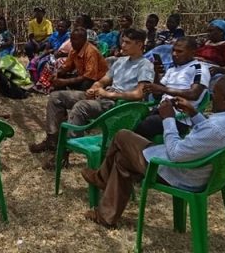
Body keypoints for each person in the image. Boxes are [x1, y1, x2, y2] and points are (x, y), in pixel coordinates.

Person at [80, 74, 225, 229]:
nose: (213, 97)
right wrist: (193, 113)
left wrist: (168, 119)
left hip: (180, 173)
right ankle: (106, 216)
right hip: (207, 173)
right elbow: (212, 135)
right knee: (122, 159)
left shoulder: (217, 128)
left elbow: (175, 154)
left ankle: (101, 178)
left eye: (216, 94)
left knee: (122, 136)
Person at [29, 29, 155, 169]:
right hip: (105, 96)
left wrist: (109, 95)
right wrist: (94, 88)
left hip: (119, 104)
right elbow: (103, 81)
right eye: (122, 41)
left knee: (81, 106)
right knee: (56, 97)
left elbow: (139, 94)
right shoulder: (121, 61)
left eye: (127, 43)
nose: (123, 45)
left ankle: (65, 152)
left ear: (139, 44)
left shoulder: (145, 65)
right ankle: (52, 139)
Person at [134, 37, 210, 140]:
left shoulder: (199, 68)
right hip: (161, 110)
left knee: (146, 125)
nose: (174, 54)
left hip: (181, 118)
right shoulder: (172, 69)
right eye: (173, 50)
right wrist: (157, 73)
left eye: (179, 51)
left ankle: (134, 150)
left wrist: (162, 89)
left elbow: (194, 94)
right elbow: (157, 95)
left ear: (192, 52)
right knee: (131, 118)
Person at [40, 27, 109, 95]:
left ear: (83, 40)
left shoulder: (91, 51)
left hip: (97, 79)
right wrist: (57, 73)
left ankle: (79, 98)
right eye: (71, 39)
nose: (71, 42)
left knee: (86, 83)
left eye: (74, 39)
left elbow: (89, 76)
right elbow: (66, 66)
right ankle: (61, 98)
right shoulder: (74, 50)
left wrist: (66, 82)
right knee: (60, 76)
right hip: (83, 76)